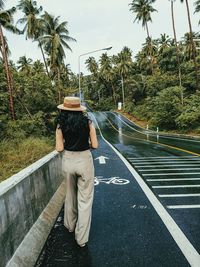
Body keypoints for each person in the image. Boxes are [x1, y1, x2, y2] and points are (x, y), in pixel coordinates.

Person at [55, 96, 98, 247]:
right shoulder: (88, 123)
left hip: (68, 161)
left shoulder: (61, 125)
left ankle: (69, 225)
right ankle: (81, 239)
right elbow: (95, 145)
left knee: (70, 194)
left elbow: (59, 148)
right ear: (80, 110)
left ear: (64, 109)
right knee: (85, 200)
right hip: (84, 161)